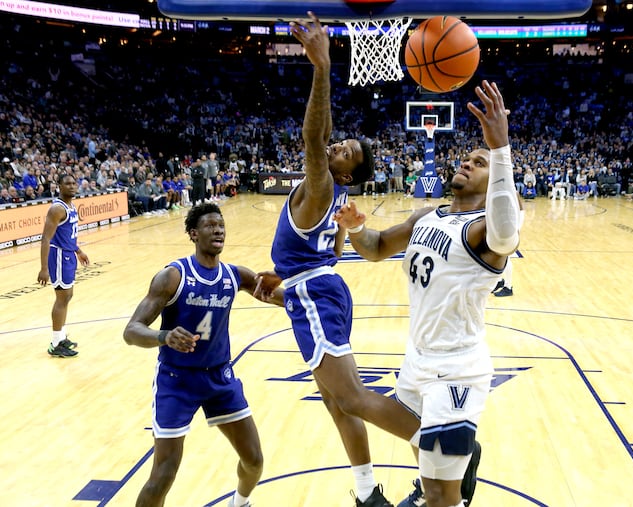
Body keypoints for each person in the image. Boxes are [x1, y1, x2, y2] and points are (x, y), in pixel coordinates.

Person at [336, 80, 520, 507]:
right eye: (468, 158)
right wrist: (357, 227)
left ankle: (454, 467)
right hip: (417, 359)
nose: (467, 163)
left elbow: (507, 234)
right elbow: (377, 248)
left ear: (495, 183)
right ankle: (459, 455)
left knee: (440, 495)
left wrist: (500, 149)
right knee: (424, 461)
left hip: (456, 369)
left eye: (480, 162)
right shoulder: (428, 215)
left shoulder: (482, 232)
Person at [268, 13, 423, 507]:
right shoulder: (330, 198)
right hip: (317, 288)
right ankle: (365, 493)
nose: (337, 144)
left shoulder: (322, 189)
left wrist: (322, 68)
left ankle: (444, 450)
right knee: (337, 401)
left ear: (347, 173)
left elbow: (313, 140)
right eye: (343, 141)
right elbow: (333, 246)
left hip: (315, 294)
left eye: (347, 150)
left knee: (351, 396)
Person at [123, 203, 281, 507]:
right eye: (210, 225)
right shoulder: (172, 276)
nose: (219, 229)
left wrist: (304, 298)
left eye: (221, 225)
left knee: (254, 460)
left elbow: (276, 297)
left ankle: (241, 502)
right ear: (194, 234)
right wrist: (163, 336)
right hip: (176, 380)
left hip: (220, 378)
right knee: (163, 475)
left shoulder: (235, 275)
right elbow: (131, 330)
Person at [37, 174, 90, 358]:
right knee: (61, 298)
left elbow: (67, 235)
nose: (72, 186)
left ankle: (60, 337)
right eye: (67, 183)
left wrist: (78, 250)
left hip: (68, 255)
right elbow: (46, 238)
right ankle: (55, 343)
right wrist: (44, 268)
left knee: (67, 296)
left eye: (74, 183)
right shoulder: (57, 209)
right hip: (58, 256)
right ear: (59, 186)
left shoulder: (70, 205)